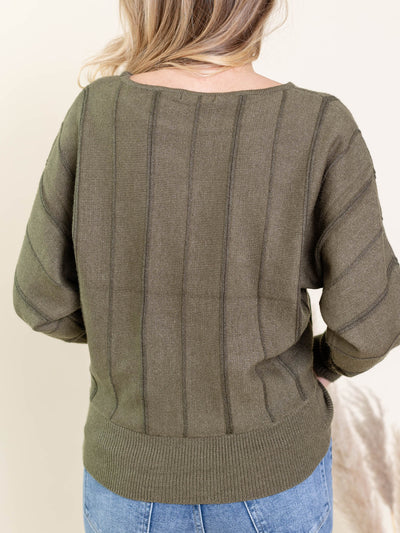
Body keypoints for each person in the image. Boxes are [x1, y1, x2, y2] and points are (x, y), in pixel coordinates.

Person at [12, 1, 400, 532]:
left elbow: (41, 297)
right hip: (274, 473)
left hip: (129, 478)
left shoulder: (97, 114)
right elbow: (372, 323)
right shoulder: (318, 126)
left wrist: (130, 335)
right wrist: (323, 363)